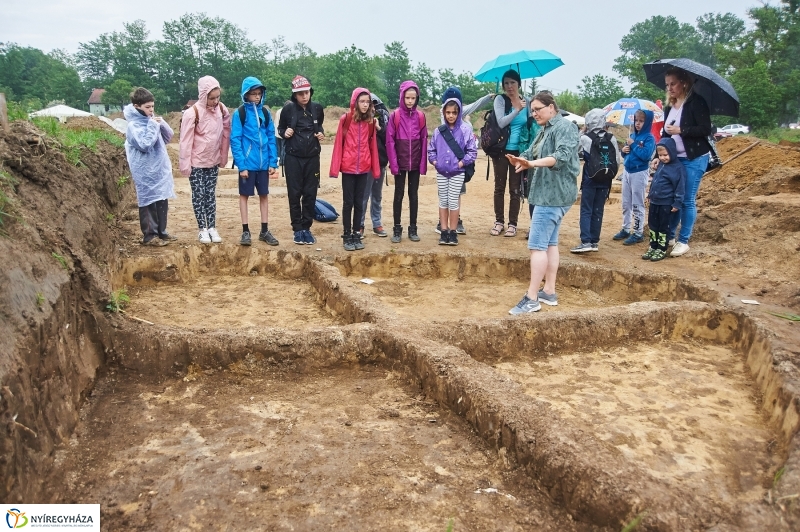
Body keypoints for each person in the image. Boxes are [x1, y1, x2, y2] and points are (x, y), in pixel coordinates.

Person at [507, 92, 580, 314]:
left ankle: (532, 298)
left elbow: (561, 157)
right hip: (547, 194)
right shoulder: (545, 129)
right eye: (532, 110)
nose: (534, 113)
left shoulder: (565, 127)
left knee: (537, 246)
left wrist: (531, 163)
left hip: (552, 196)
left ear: (551, 107)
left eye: (538, 109)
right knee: (550, 243)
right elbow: (532, 151)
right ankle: (548, 291)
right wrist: (522, 158)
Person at [656, 67, 712, 257]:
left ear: (684, 83)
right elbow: (665, 135)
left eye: (673, 84)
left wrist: (682, 130)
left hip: (694, 158)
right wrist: (657, 157)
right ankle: (670, 236)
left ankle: (683, 241)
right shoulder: (669, 107)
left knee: (686, 199)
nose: (669, 88)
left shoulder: (697, 102)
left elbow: (705, 129)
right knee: (674, 198)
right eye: (667, 85)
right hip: (675, 159)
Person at [435, 86, 494, 236]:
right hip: (450, 162)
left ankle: (453, 222)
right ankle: (446, 223)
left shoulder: (457, 118)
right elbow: (475, 105)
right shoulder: (449, 113)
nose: (451, 114)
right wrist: (488, 97)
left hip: (458, 161)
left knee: (454, 194)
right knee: (449, 195)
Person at [179, 75, 231, 244]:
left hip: (213, 161)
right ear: (203, 96)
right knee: (199, 194)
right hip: (196, 163)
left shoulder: (221, 110)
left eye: (218, 97)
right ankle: (202, 229)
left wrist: (223, 156)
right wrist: (185, 164)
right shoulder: (192, 113)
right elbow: (185, 141)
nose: (215, 101)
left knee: (210, 195)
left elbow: (225, 134)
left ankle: (212, 227)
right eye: (211, 98)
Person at [329, 88, 380, 251]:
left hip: (364, 167)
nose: (365, 105)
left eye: (367, 102)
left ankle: (356, 234)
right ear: (355, 102)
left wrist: (375, 168)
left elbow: (372, 146)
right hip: (348, 168)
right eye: (362, 101)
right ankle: (346, 235)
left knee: (359, 203)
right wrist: (335, 168)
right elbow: (338, 143)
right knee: (348, 203)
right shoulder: (346, 119)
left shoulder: (370, 122)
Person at [230, 77, 279, 247]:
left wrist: (273, 162)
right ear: (246, 95)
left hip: (264, 164)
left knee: (264, 195)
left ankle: (264, 230)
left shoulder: (265, 112)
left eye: (259, 93)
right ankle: (245, 231)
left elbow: (271, 137)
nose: (257, 97)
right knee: (244, 196)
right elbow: (235, 140)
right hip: (247, 165)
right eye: (253, 94)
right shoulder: (240, 114)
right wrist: (241, 165)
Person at [124, 87, 176, 246]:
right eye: (147, 107)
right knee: (148, 202)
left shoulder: (150, 119)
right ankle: (150, 235)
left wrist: (161, 123)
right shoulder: (133, 126)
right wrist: (153, 126)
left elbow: (167, 137)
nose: (151, 110)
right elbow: (145, 144)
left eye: (152, 106)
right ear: (136, 106)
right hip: (145, 170)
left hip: (159, 168)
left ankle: (161, 231)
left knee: (161, 198)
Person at [278, 76, 325, 245]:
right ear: (294, 95)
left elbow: (319, 125)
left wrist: (321, 133)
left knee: (310, 194)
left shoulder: (317, 108)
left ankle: (307, 228)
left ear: (310, 92)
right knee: (294, 193)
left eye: (306, 92)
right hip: (293, 157)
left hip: (312, 157)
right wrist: (284, 133)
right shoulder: (288, 110)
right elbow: (280, 128)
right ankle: (297, 229)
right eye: (300, 94)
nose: (304, 96)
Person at [428, 96, 478, 246]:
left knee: (453, 200)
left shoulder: (465, 130)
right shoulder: (438, 131)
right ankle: (444, 231)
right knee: (443, 201)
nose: (451, 115)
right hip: (442, 172)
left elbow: (472, 151)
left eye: (454, 113)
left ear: (459, 113)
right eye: (448, 112)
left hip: (457, 172)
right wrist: (436, 163)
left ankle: (453, 231)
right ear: (444, 113)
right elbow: (431, 150)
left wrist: (461, 163)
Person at [570, 109, 622, 253]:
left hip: (590, 179)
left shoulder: (585, 138)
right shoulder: (611, 138)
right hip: (606, 180)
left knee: (586, 209)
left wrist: (582, 131)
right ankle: (594, 241)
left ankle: (585, 241)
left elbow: (574, 149)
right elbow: (617, 160)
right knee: (598, 210)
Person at [490, 70, 532, 238]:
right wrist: (516, 110)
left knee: (515, 188)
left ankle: (512, 224)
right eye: (506, 83)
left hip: (519, 151)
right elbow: (501, 122)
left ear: (519, 84)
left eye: (513, 82)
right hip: (501, 149)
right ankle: (499, 221)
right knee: (499, 187)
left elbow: (530, 125)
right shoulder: (500, 100)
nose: (509, 86)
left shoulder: (527, 101)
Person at [386, 80, 427, 243]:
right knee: (398, 194)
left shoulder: (421, 116)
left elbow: (424, 140)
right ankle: (397, 229)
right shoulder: (395, 116)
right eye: (407, 98)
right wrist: (394, 164)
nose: (410, 101)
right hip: (400, 162)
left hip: (415, 162)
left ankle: (413, 228)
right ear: (402, 97)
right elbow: (390, 141)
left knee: (413, 195)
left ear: (417, 98)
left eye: (413, 98)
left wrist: (422, 164)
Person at [613, 109, 655, 245]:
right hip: (627, 171)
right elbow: (627, 154)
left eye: (641, 121)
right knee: (626, 203)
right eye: (636, 120)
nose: (638, 123)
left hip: (639, 172)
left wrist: (633, 144)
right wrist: (624, 151)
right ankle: (626, 228)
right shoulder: (632, 136)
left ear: (647, 122)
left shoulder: (649, 138)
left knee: (637, 203)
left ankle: (638, 232)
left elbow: (646, 156)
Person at [643, 138, 685, 261]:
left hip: (666, 203)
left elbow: (680, 187)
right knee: (653, 225)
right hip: (654, 201)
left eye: (665, 155)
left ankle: (661, 248)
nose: (662, 158)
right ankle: (653, 246)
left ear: (672, 152)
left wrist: (677, 203)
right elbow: (655, 181)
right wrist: (650, 195)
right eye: (660, 155)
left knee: (663, 227)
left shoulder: (678, 168)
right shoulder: (661, 165)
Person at [358, 93, 390, 238]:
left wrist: (378, 128)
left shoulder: (383, 116)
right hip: (365, 163)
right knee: (363, 196)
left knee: (377, 195)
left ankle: (377, 223)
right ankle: (359, 225)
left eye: (371, 103)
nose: (369, 107)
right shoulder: (359, 118)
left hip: (380, 161)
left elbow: (388, 138)